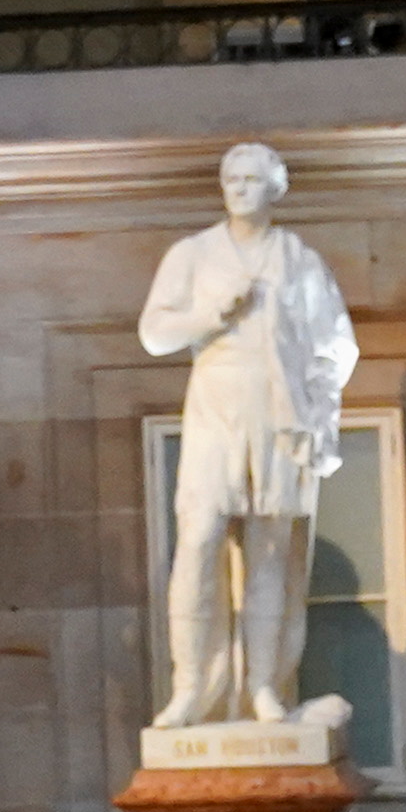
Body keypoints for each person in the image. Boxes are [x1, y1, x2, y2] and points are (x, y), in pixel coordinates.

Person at [140, 142, 359, 735]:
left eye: (252, 179)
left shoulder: (298, 259)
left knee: (268, 552)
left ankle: (264, 684)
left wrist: (317, 411)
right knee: (199, 542)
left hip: (277, 412)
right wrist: (209, 314)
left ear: (275, 188)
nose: (239, 188)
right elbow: (154, 333)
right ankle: (189, 689)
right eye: (231, 179)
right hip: (215, 403)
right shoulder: (192, 255)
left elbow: (335, 345)